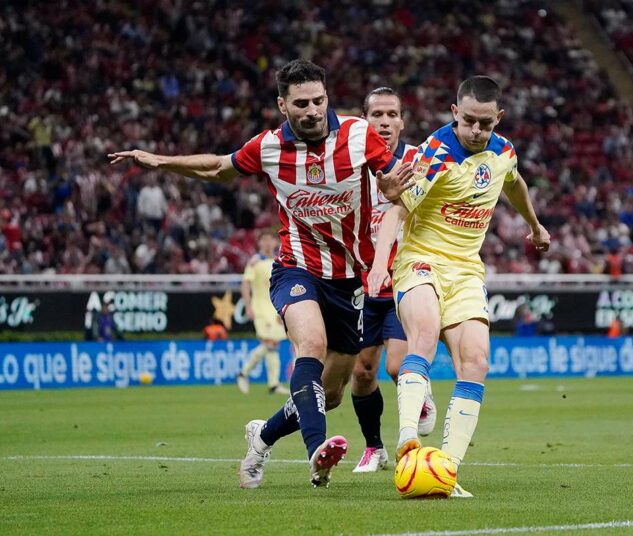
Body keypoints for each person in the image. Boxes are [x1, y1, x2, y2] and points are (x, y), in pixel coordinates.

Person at [109, 59, 413, 489]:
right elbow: (218, 167)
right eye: (301, 103)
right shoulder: (268, 147)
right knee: (310, 344)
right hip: (297, 267)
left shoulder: (358, 134)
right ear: (282, 105)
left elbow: (390, 184)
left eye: (318, 100)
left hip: (351, 280)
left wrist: (391, 188)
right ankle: (317, 455)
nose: (312, 110)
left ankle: (262, 436)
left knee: (330, 394)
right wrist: (158, 161)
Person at [369, 76, 550, 497]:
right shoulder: (435, 155)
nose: (476, 131)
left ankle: (447, 469)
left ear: (498, 119)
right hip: (422, 262)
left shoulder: (503, 151)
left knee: (476, 361)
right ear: (455, 113)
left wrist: (535, 225)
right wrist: (380, 265)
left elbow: (514, 183)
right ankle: (408, 442)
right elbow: (396, 211)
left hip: (467, 269)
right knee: (426, 334)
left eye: (485, 124)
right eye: (468, 121)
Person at [351, 87, 437, 474]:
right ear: (364, 120)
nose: (384, 122)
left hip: (404, 277)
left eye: (391, 114)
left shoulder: (419, 160)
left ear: (402, 121)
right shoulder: (349, 163)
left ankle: (420, 388)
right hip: (358, 282)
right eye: (376, 115)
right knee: (363, 371)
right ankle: (374, 447)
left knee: (395, 366)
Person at [236, 229, 290, 396]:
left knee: (273, 345)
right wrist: (248, 306)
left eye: (270, 240)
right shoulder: (254, 262)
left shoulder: (278, 261)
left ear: (275, 243)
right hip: (260, 308)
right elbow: (245, 284)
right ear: (259, 243)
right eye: (264, 240)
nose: (267, 243)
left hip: (274, 309)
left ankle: (273, 384)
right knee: (269, 342)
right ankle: (243, 373)